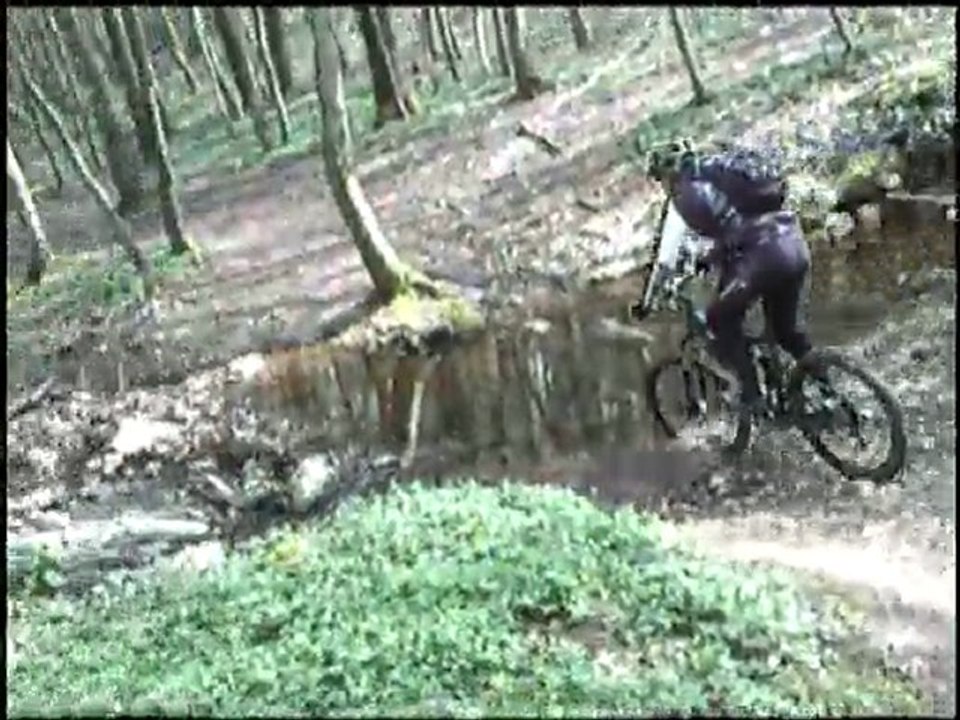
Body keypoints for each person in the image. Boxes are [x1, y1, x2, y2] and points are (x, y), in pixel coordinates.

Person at [634, 139, 817, 416]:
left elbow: (726, 236)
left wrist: (650, 300)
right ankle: (829, 392)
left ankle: (752, 395)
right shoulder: (721, 176)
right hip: (793, 243)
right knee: (787, 332)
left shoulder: (687, 195)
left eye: (660, 180)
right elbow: (738, 224)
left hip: (761, 257)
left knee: (719, 319)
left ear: (667, 175)